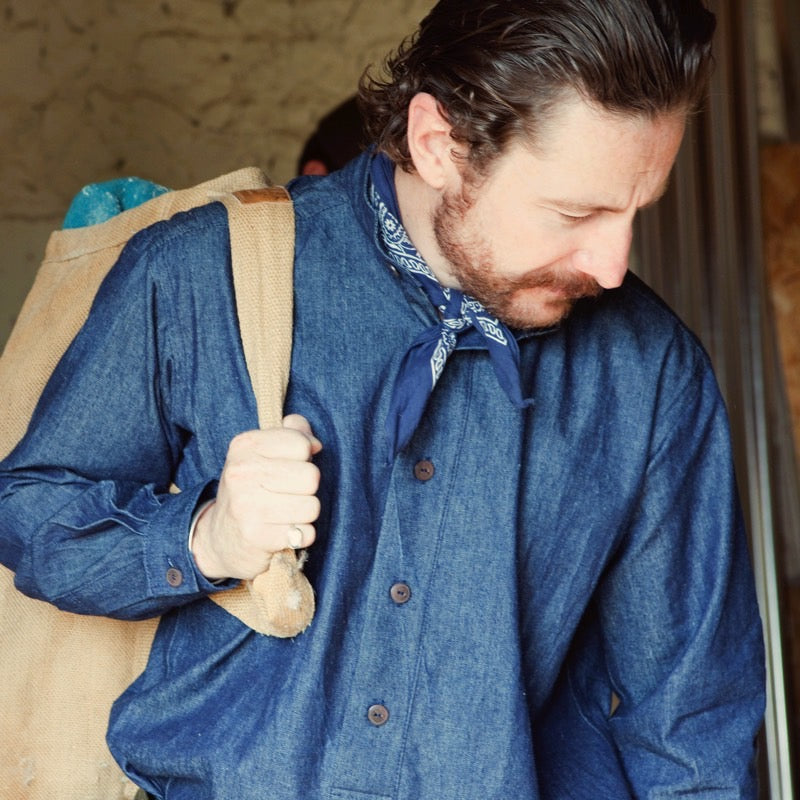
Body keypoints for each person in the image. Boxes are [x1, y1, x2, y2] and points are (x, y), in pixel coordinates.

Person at [0, 1, 766, 797]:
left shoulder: (652, 371)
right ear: (440, 144)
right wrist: (205, 539)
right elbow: (30, 511)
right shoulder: (202, 273)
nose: (611, 266)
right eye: (577, 213)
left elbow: (691, 724)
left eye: (637, 212)